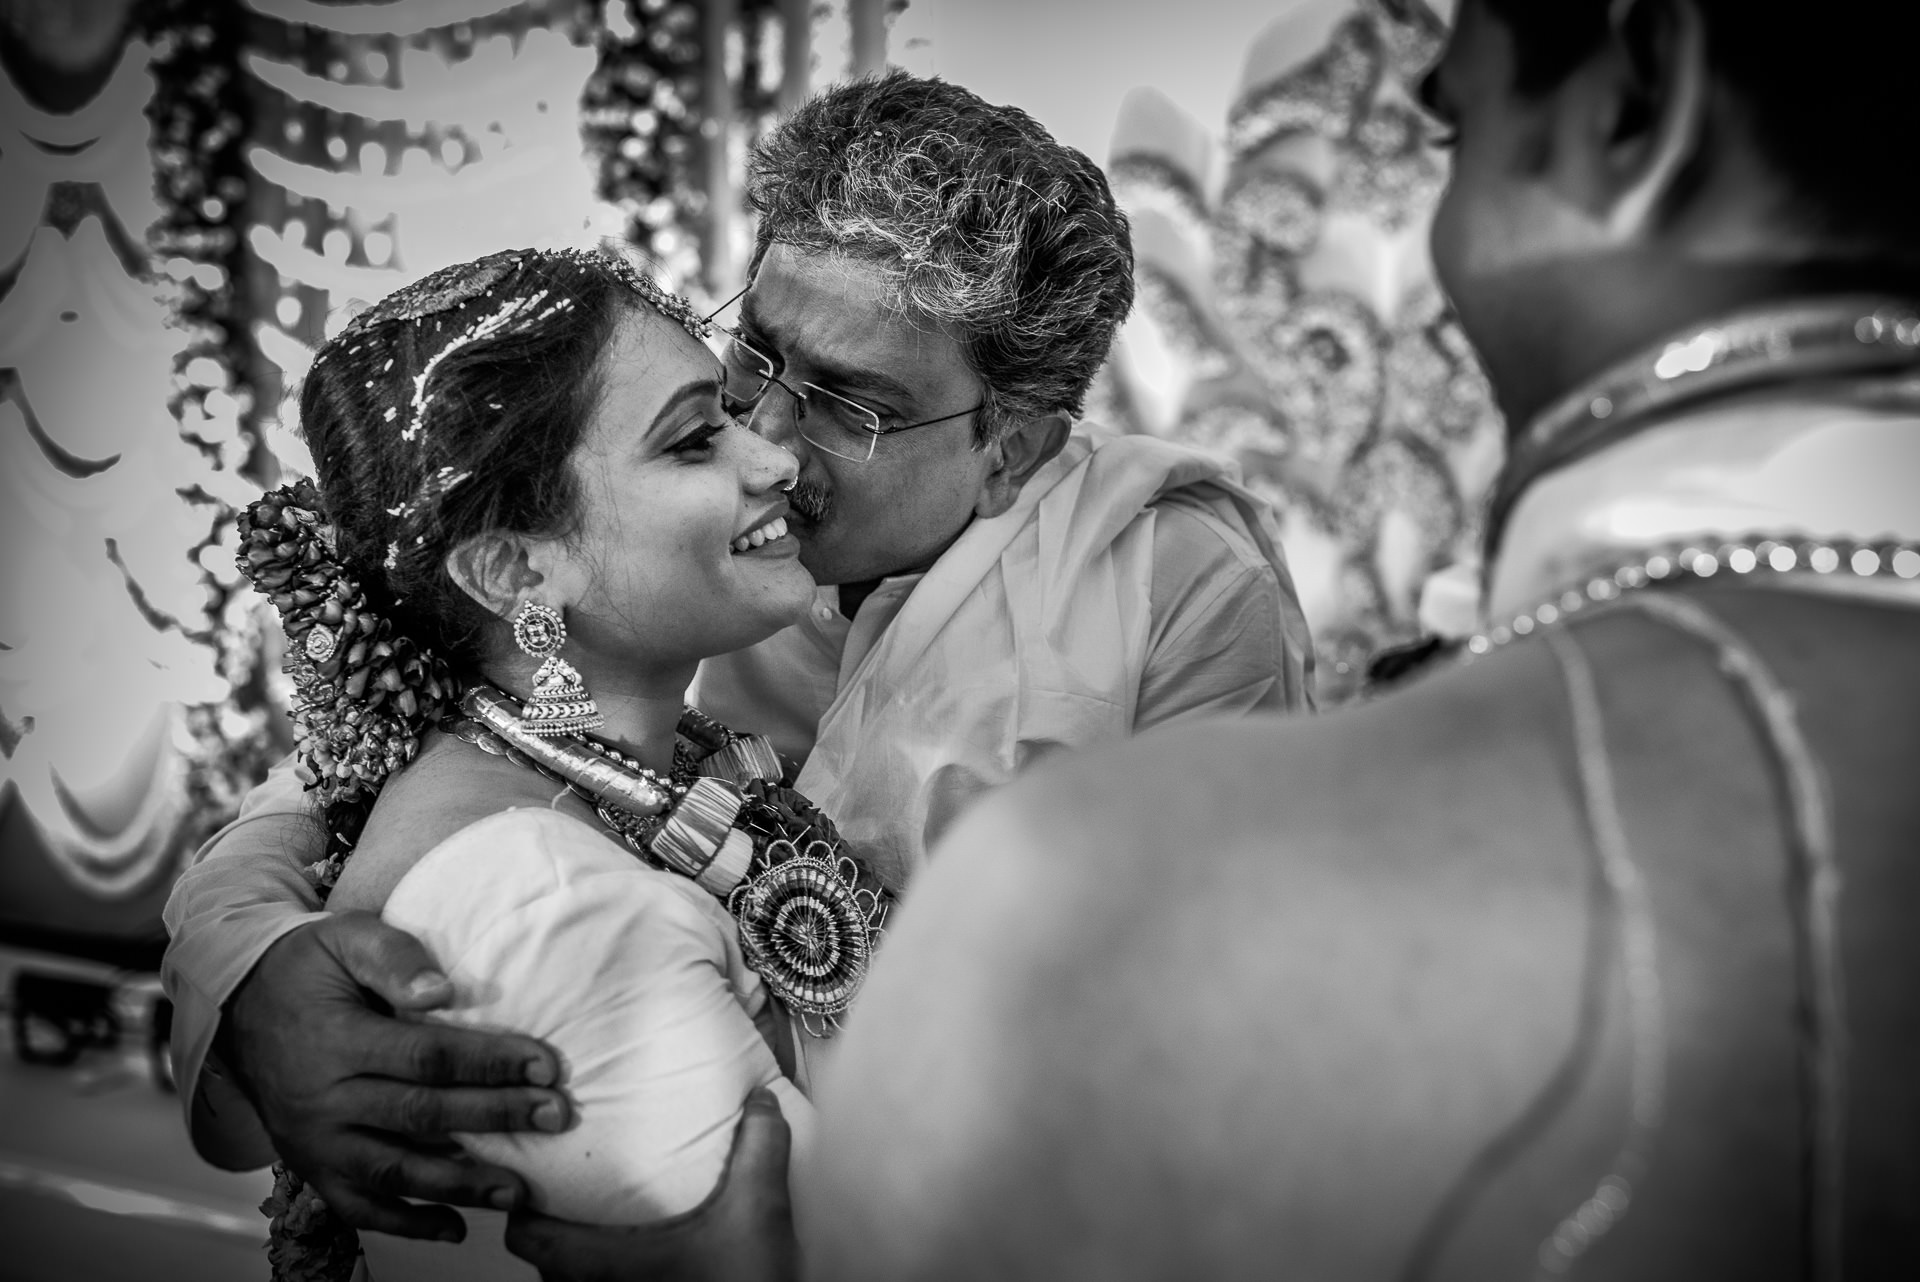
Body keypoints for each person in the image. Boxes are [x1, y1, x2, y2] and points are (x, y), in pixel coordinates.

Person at [792, 0, 1920, 1277]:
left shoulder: (1089, 904)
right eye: (752, 364)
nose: (767, 436)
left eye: (1460, 122)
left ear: (1634, 99)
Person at [161, 70, 1315, 1255]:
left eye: (847, 408)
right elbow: (387, 754)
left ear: (1009, 451)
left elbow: (1236, 1031)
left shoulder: (1170, 589)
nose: (765, 438)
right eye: (754, 359)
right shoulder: (661, 564)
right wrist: (253, 965)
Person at [215, 245, 897, 1281]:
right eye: (692, 441)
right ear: (517, 569)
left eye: (729, 407)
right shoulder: (552, 902)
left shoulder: (574, 777)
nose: (776, 459)